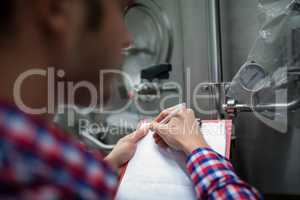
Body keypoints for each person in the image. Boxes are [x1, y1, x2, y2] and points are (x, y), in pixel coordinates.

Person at [0, 0, 261, 199]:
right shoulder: (52, 176)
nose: (127, 40)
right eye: (120, 10)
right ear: (57, 8)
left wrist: (109, 163)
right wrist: (197, 148)